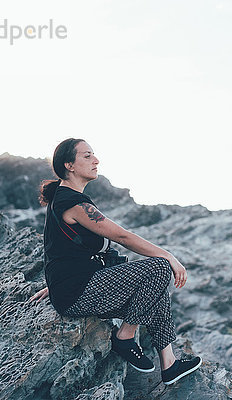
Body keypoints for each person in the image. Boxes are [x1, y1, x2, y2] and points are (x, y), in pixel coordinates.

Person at [29, 138, 201, 385]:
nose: (96, 160)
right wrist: (169, 256)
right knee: (159, 268)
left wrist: (54, 283)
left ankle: (169, 364)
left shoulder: (66, 197)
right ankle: (125, 336)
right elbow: (122, 236)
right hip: (78, 292)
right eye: (87, 156)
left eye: (94, 155)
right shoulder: (72, 202)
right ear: (70, 165)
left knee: (155, 288)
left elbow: (58, 248)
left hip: (77, 286)